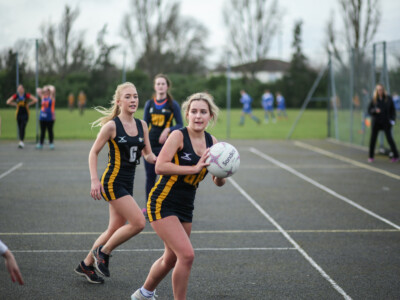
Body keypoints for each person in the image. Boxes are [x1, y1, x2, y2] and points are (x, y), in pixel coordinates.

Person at [131, 92, 226, 300]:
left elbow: (217, 181)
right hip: (162, 202)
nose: (198, 116)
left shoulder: (213, 142)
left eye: (203, 112)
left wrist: (223, 173)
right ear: (187, 114)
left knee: (171, 258)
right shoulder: (178, 136)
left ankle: (144, 294)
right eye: (194, 111)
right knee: (187, 255)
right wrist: (193, 168)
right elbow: (160, 166)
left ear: (210, 116)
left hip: (186, 206)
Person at [74, 82, 156, 284]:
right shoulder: (112, 126)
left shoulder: (142, 125)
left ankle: (86, 264)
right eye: (128, 96)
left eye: (135, 96)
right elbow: (93, 152)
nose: (133, 100)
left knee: (114, 229)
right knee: (138, 223)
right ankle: (104, 252)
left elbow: (149, 155)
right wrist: (94, 180)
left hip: (128, 183)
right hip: (112, 182)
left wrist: (168, 159)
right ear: (119, 101)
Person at [142, 74, 183, 215]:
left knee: (168, 178)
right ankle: (149, 208)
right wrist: (143, 147)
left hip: (167, 147)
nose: (160, 86)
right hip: (151, 146)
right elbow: (143, 126)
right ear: (155, 86)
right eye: (158, 84)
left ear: (167, 86)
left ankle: (168, 207)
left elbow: (180, 124)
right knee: (150, 177)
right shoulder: (149, 104)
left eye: (163, 84)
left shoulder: (172, 104)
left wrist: (168, 129)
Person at [367, 84, 399, 163]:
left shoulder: (388, 99)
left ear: (383, 90)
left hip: (386, 122)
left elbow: (392, 111)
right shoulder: (374, 100)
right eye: (378, 90)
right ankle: (371, 156)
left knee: (389, 139)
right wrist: (375, 111)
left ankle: (396, 155)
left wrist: (392, 120)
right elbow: (369, 110)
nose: (380, 91)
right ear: (376, 91)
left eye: (381, 89)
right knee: (373, 139)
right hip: (376, 122)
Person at [5, 84, 38, 148]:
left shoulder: (26, 95)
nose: (20, 90)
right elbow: (8, 101)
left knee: (23, 126)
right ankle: (21, 141)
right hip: (18, 114)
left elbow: (35, 100)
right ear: (17, 90)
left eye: (21, 88)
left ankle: (21, 141)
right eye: (19, 88)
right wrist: (15, 104)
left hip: (25, 114)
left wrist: (29, 104)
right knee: (20, 127)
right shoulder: (16, 96)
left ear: (23, 89)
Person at [36, 85, 56, 150]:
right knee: (42, 131)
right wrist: (43, 89)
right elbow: (37, 90)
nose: (46, 92)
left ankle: (51, 143)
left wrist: (48, 87)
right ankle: (41, 143)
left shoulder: (51, 97)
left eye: (47, 91)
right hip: (42, 117)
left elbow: (53, 89)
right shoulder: (42, 97)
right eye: (45, 91)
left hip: (50, 117)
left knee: (50, 131)